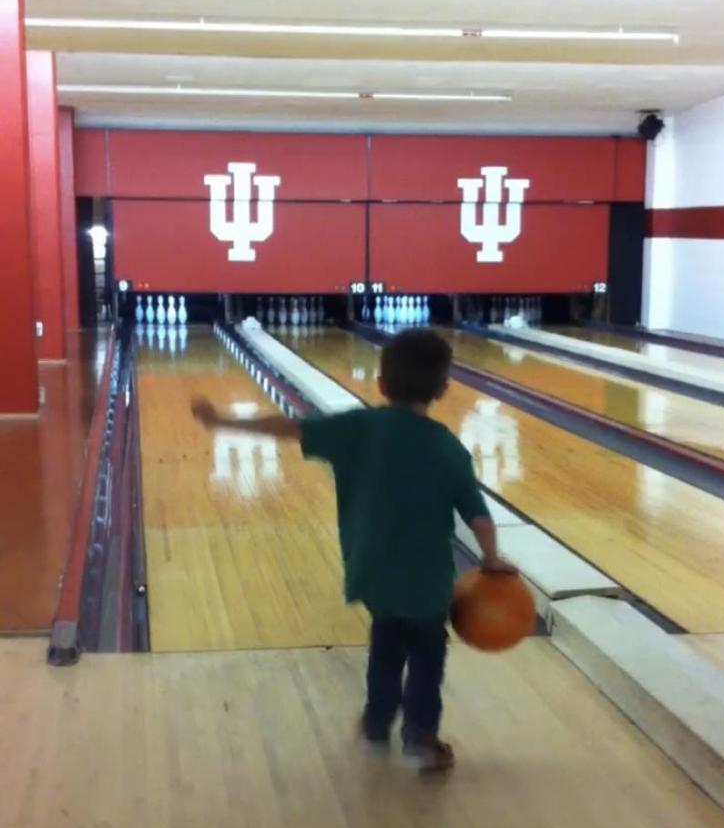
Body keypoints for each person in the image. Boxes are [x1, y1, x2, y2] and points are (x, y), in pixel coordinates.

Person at [192, 328, 515, 773]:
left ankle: (376, 725)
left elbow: (287, 426)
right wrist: (492, 560)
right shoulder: (448, 448)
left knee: (385, 649)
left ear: (382, 383)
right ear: (442, 389)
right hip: (428, 584)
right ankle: (421, 737)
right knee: (427, 660)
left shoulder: (356, 428)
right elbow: (478, 515)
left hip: (373, 574)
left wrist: (222, 421)